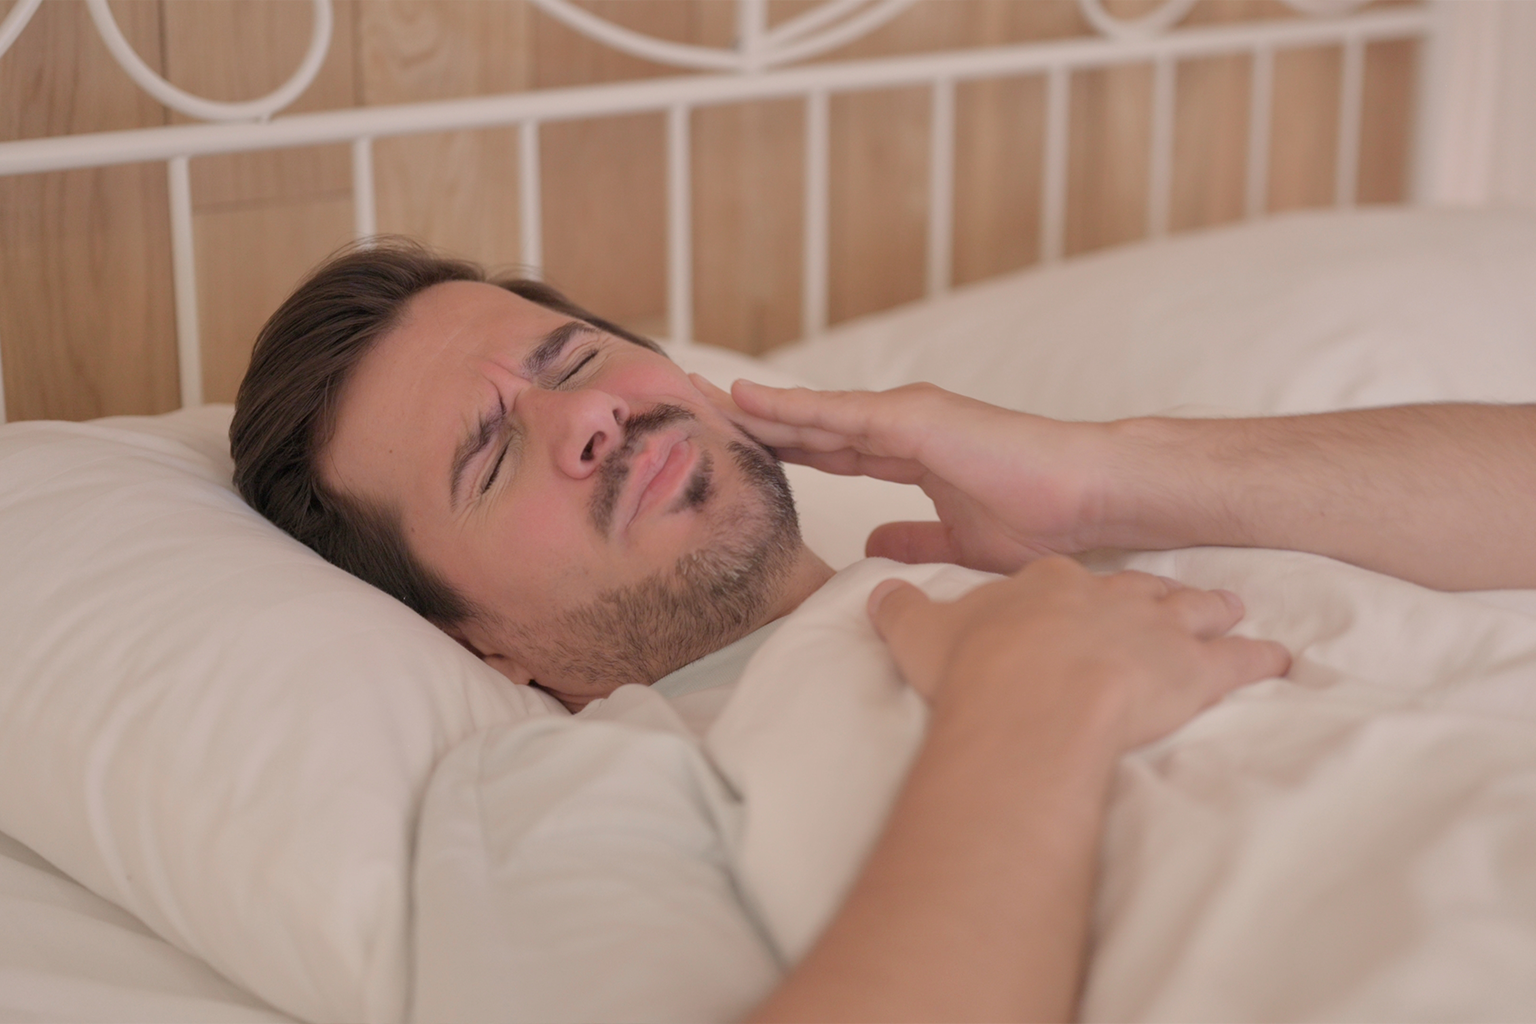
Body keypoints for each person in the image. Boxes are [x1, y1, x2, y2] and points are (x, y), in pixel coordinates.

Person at [231, 237, 1523, 1021]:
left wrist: (1105, 476)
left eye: (572, 362)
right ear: (477, 643)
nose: (588, 420)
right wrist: (1032, 713)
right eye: (484, 456)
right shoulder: (557, 792)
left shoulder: (1060, 561)